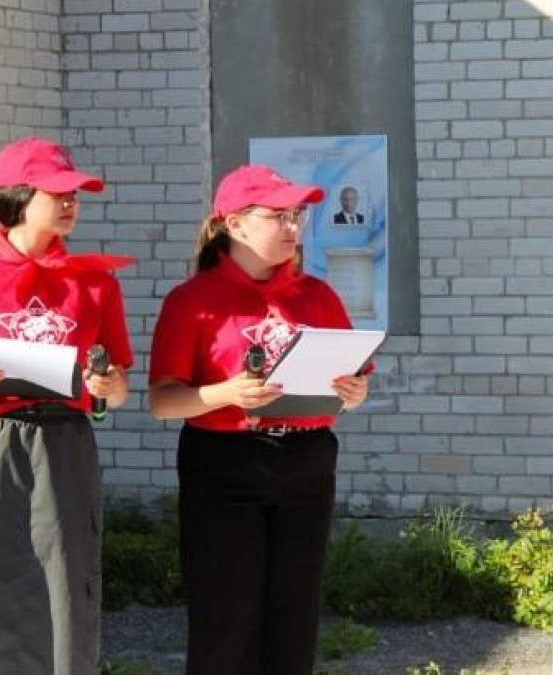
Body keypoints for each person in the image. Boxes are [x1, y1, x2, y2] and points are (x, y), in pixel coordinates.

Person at [0, 137, 134, 675]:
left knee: (64, 581)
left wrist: (106, 385)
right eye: (57, 193)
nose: (71, 203)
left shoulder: (95, 283)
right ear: (17, 198)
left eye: (75, 194)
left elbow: (120, 385)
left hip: (65, 443)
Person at [149, 164, 371, 675]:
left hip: (307, 461)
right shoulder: (193, 300)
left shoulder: (318, 295)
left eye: (298, 216)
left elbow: (352, 380)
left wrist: (354, 392)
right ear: (235, 223)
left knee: (295, 614)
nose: (293, 227)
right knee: (226, 616)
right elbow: (163, 402)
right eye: (279, 216)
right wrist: (226, 393)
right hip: (226, 463)